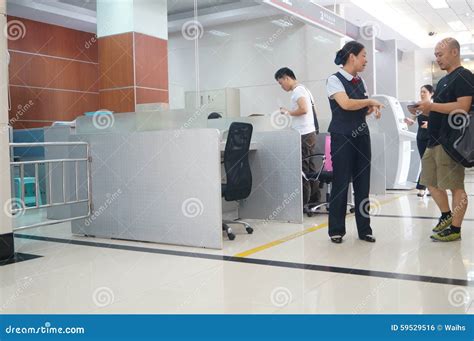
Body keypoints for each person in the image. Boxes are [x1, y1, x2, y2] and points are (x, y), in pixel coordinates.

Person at [412, 38, 473, 242]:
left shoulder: (464, 77)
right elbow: (441, 108)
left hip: (450, 141)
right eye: (436, 55)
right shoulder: (444, 80)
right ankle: (446, 215)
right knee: (429, 182)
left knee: (455, 185)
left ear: (454, 52)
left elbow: (462, 107)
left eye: (440, 54)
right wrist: (425, 108)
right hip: (434, 139)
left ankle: (455, 229)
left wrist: (432, 107)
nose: (437, 58)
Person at [325, 41, 383, 244]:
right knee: (341, 182)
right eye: (364, 55)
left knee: (362, 183)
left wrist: (371, 109)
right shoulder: (334, 79)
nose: (366, 60)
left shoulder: (361, 81)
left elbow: (361, 109)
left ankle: (364, 229)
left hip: (361, 135)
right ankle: (336, 230)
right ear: (352, 57)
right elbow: (346, 104)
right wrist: (369, 102)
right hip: (342, 136)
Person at [274, 67, 321, 208]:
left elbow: (304, 109)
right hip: (310, 133)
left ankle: (304, 203)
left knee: (303, 169)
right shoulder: (305, 89)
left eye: (280, 82)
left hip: (304, 135)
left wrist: (287, 112)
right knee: (310, 169)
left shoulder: (297, 91)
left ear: (287, 77)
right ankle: (314, 201)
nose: (281, 86)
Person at [404, 85, 434, 197]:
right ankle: (427, 188)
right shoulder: (418, 106)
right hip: (421, 137)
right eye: (421, 92)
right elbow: (412, 120)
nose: (422, 94)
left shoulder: (434, 106)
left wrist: (430, 124)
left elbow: (439, 121)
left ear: (431, 93)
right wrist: (408, 121)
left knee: (430, 163)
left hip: (432, 137)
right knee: (425, 162)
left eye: (424, 92)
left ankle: (425, 188)